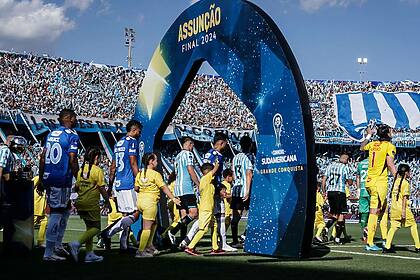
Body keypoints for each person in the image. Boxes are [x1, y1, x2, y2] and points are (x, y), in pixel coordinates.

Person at [38, 109, 79, 261]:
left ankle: (57, 244)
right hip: (61, 178)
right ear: (69, 118)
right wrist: (79, 178)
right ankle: (49, 253)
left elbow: (42, 158)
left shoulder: (51, 134)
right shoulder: (72, 135)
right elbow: (73, 158)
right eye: (74, 118)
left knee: (66, 209)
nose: (76, 120)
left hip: (50, 176)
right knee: (56, 212)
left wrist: (42, 178)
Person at [101, 120, 142, 251]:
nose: (140, 133)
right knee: (135, 213)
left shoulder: (118, 143)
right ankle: (108, 233)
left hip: (118, 183)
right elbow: (133, 162)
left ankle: (123, 245)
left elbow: (112, 167)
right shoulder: (132, 142)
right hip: (128, 182)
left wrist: (110, 186)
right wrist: (139, 179)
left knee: (126, 215)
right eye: (139, 130)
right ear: (134, 130)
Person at [68, 147, 111, 263]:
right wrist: (108, 202)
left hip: (80, 202)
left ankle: (89, 254)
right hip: (91, 203)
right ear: (96, 157)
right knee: (96, 228)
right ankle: (76, 244)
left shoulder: (81, 170)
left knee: (89, 228)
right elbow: (102, 188)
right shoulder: (97, 171)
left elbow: (76, 187)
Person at [134, 153, 181, 258]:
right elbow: (164, 187)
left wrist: (144, 187)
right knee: (147, 228)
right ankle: (141, 251)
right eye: (155, 160)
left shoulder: (140, 173)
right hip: (150, 203)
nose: (157, 162)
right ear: (151, 161)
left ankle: (149, 245)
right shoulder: (155, 174)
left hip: (140, 202)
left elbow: (136, 188)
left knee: (154, 223)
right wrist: (173, 198)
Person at [360, 124, 396, 251]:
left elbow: (362, 147)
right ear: (387, 134)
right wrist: (399, 178)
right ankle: (370, 242)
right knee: (375, 213)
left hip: (369, 181)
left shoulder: (374, 144)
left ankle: (385, 238)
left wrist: (368, 135)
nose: (392, 133)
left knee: (384, 209)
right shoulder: (389, 146)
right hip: (379, 183)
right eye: (391, 131)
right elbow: (390, 164)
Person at [165, 137, 200, 244]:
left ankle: (182, 241)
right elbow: (190, 169)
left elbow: (174, 173)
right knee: (194, 213)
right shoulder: (188, 154)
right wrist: (198, 184)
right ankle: (172, 232)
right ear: (190, 144)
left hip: (177, 189)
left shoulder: (178, 156)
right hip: (186, 188)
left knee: (183, 216)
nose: (192, 148)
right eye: (192, 146)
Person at [185, 161, 219, 256]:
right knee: (203, 229)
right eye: (212, 172)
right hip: (206, 209)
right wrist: (217, 162)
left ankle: (215, 247)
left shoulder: (209, 182)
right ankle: (190, 247)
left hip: (209, 209)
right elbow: (214, 170)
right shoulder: (205, 179)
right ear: (208, 171)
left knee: (214, 225)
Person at [383, 164, 420, 253]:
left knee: (393, 227)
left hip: (394, 209)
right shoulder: (405, 183)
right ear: (406, 172)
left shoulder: (395, 181)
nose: (410, 173)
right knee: (413, 225)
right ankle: (418, 246)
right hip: (402, 209)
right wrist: (403, 211)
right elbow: (404, 198)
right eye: (409, 171)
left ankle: (387, 246)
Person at [321, 151, 350, 245]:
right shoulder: (344, 167)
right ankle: (337, 238)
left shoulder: (330, 165)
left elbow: (324, 180)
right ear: (345, 159)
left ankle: (326, 228)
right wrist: (349, 181)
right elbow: (349, 181)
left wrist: (324, 191)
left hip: (330, 192)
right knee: (341, 215)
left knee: (334, 214)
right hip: (339, 192)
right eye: (347, 159)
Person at [230, 136, 253, 248]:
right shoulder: (249, 157)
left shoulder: (235, 158)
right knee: (252, 214)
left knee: (236, 216)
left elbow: (234, 175)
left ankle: (235, 241)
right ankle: (246, 236)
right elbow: (249, 174)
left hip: (236, 189)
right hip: (245, 189)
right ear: (250, 145)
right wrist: (248, 191)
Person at [356, 153, 370, 242]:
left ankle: (364, 233)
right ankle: (369, 229)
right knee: (373, 212)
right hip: (371, 189)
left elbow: (358, 177)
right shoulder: (373, 162)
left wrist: (358, 189)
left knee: (363, 212)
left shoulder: (360, 164)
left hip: (362, 190)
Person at [33, 175, 48, 248]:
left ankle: (40, 242)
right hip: (35, 207)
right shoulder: (38, 178)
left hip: (41, 209)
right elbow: (30, 186)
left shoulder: (48, 178)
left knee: (44, 221)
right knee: (29, 225)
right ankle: (23, 241)